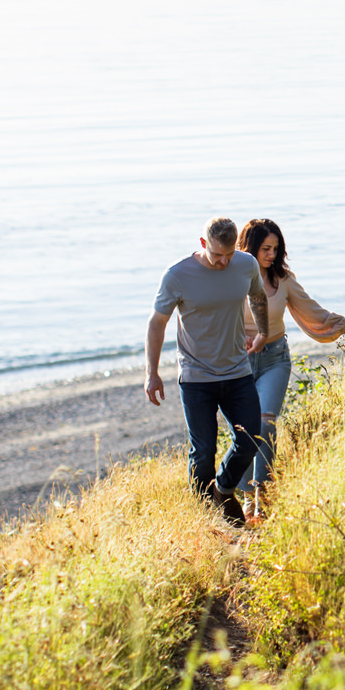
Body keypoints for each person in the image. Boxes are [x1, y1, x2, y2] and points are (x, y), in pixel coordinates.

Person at [235, 218, 345, 517]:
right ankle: (247, 493)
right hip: (237, 362)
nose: (272, 255)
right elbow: (210, 315)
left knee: (265, 423)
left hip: (275, 359)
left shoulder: (283, 280)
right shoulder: (231, 277)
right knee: (243, 430)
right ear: (250, 247)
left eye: (276, 249)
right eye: (266, 248)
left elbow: (317, 314)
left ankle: (261, 497)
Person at [145, 215, 270, 528]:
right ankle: (206, 521)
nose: (224, 262)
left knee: (251, 438)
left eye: (229, 255)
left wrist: (263, 332)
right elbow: (156, 322)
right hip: (196, 376)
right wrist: (153, 373)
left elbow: (257, 294)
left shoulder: (246, 264)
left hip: (237, 371)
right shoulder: (177, 275)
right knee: (202, 452)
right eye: (217, 256)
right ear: (203, 245)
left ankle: (223, 489)